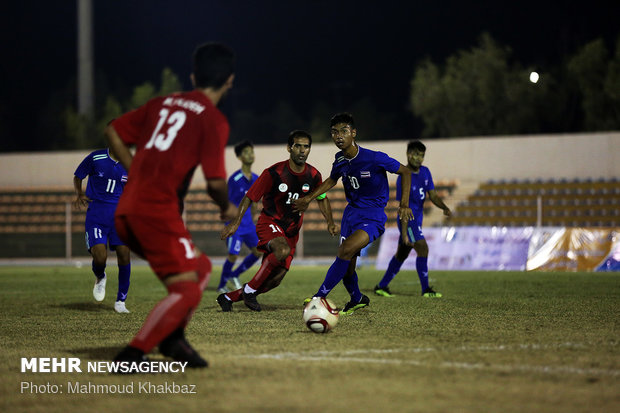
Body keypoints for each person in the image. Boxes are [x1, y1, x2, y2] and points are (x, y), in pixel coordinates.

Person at [105, 42, 237, 368]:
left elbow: (113, 130)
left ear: (193, 76)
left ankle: (174, 339)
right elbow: (216, 183)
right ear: (229, 81)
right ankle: (134, 353)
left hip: (128, 209)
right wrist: (228, 208)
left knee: (202, 269)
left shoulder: (161, 103)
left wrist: (134, 170)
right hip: (155, 211)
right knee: (189, 292)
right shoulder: (213, 119)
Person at [294, 112, 413, 315]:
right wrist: (308, 199)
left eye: (344, 131)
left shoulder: (374, 158)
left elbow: (406, 172)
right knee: (348, 267)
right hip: (350, 215)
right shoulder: (340, 159)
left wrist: (403, 203)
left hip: (372, 216)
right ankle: (357, 298)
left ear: (354, 133)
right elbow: (332, 180)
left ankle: (318, 297)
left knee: (345, 250)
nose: (338, 136)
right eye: (334, 132)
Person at [217, 130, 338, 312]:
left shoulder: (313, 175)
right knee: (282, 249)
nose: (302, 150)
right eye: (298, 146)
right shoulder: (274, 173)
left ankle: (228, 297)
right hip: (269, 223)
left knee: (275, 280)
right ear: (289, 148)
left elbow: (322, 198)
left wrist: (329, 221)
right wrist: (235, 223)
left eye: (306, 147)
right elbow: (250, 197)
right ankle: (249, 291)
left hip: (291, 232)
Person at [374, 140, 451, 298]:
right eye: (416, 154)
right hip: (408, 220)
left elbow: (433, 195)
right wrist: (403, 233)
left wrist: (443, 207)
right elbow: (403, 206)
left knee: (401, 254)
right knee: (423, 248)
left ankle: (381, 286)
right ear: (408, 154)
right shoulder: (404, 176)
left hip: (418, 219)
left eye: (422, 155)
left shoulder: (425, 172)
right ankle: (426, 289)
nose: (419, 158)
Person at [73, 148, 131, 313]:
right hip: (97, 215)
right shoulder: (96, 157)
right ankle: (100, 276)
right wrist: (79, 193)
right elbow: (78, 175)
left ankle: (121, 301)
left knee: (124, 255)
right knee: (100, 257)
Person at [216, 140, 261, 293]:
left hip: (249, 225)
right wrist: (230, 223)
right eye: (246, 152)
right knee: (233, 256)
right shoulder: (234, 180)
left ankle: (234, 275)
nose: (250, 155)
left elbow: (255, 203)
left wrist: (253, 218)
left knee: (259, 252)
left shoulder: (256, 178)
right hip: (235, 226)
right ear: (239, 157)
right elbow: (228, 203)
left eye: (251, 152)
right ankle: (222, 285)